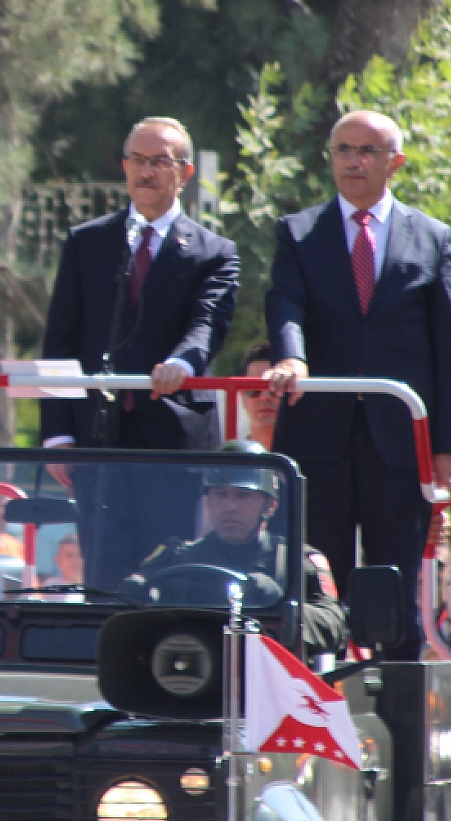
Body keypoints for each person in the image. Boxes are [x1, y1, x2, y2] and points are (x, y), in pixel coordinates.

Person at [264, 109, 451, 660]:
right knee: (312, 585)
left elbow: (449, 349)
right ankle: (314, 698)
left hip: (398, 442)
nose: (353, 162)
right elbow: (286, 304)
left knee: (392, 589)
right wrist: (292, 357)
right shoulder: (298, 232)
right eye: (343, 150)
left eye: (366, 151)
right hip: (317, 436)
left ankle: (396, 702)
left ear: (395, 163)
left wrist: (448, 445)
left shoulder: (431, 238)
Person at [39, 117, 240, 588]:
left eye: (159, 162)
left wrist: (182, 364)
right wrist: (57, 436)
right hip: (98, 437)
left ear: (184, 173)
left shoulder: (214, 252)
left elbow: (207, 325)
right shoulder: (88, 242)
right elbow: (61, 339)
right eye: (137, 160)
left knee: (168, 577)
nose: (146, 172)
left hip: (170, 436)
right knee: (103, 580)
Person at [122, 443, 346, 659]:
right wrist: (133, 594)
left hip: (271, 671)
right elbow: (128, 604)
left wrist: (282, 608)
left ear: (270, 505)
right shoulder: (177, 558)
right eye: (221, 494)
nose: (230, 506)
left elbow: (334, 625)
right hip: (187, 665)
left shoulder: (297, 562)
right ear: (208, 502)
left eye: (243, 495)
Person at [239, 341, 279, 449]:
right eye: (254, 388)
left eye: (275, 387)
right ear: (242, 396)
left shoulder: (312, 457)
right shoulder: (230, 457)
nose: (264, 397)